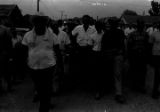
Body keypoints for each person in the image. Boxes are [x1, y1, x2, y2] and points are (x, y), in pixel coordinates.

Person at [22, 12, 59, 112]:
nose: (39, 24)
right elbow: (24, 51)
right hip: (33, 68)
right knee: (40, 89)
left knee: (46, 90)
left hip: (48, 68)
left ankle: (43, 108)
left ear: (45, 23)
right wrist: (25, 65)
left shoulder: (52, 36)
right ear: (34, 23)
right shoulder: (27, 35)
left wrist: (59, 67)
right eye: (37, 21)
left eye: (42, 21)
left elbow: (57, 52)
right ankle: (44, 103)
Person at [101, 17, 126, 104]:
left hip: (116, 56)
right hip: (110, 56)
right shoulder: (107, 33)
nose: (114, 25)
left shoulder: (119, 32)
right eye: (113, 23)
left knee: (117, 75)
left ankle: (118, 94)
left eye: (115, 23)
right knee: (112, 74)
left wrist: (121, 53)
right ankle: (109, 90)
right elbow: (103, 47)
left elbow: (122, 45)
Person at [72, 15, 96, 88]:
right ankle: (80, 83)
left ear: (89, 21)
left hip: (89, 50)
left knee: (88, 66)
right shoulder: (78, 28)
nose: (85, 21)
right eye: (84, 20)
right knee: (80, 65)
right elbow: (72, 35)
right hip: (80, 49)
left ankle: (87, 83)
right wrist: (75, 46)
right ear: (82, 21)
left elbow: (95, 39)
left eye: (87, 20)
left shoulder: (93, 29)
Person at [127, 19, 149, 93]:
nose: (140, 27)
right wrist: (129, 56)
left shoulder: (146, 34)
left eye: (142, 25)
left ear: (143, 26)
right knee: (134, 70)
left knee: (142, 71)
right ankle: (134, 85)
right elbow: (129, 45)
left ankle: (141, 86)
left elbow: (148, 45)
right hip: (134, 55)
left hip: (143, 55)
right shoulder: (132, 34)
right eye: (139, 25)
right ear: (137, 26)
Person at [90, 21, 104, 100]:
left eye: (100, 26)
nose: (99, 28)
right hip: (95, 54)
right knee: (95, 72)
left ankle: (102, 89)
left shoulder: (105, 34)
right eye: (97, 26)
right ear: (95, 27)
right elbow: (90, 46)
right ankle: (96, 91)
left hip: (103, 54)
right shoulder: (92, 36)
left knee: (102, 72)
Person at [0, 21, 13, 93]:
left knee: (6, 71)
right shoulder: (5, 29)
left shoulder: (5, 30)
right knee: (5, 71)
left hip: (4, 53)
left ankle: (9, 86)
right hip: (4, 53)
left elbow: (9, 43)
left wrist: (10, 55)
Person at [149, 22, 160, 99]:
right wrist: (151, 58)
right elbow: (150, 45)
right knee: (157, 74)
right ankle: (154, 92)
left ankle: (157, 90)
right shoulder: (154, 34)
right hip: (156, 56)